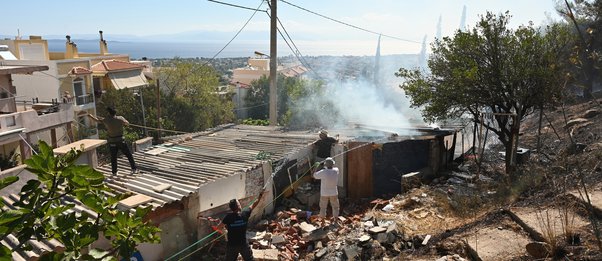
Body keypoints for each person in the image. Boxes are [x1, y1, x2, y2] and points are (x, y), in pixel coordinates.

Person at [88, 107, 138, 175]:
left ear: (109, 113)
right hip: (121, 140)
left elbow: (97, 120)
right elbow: (127, 123)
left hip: (112, 141)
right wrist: (124, 122)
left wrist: (90, 116)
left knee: (113, 157)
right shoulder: (120, 118)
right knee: (129, 155)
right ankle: (134, 169)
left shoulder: (106, 120)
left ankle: (114, 172)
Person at [218, 192, 263, 261]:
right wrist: (260, 195)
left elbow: (219, 227)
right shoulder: (245, 213)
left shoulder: (228, 217)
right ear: (238, 206)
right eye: (239, 203)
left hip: (232, 245)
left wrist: (225, 229)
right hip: (243, 244)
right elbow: (254, 204)